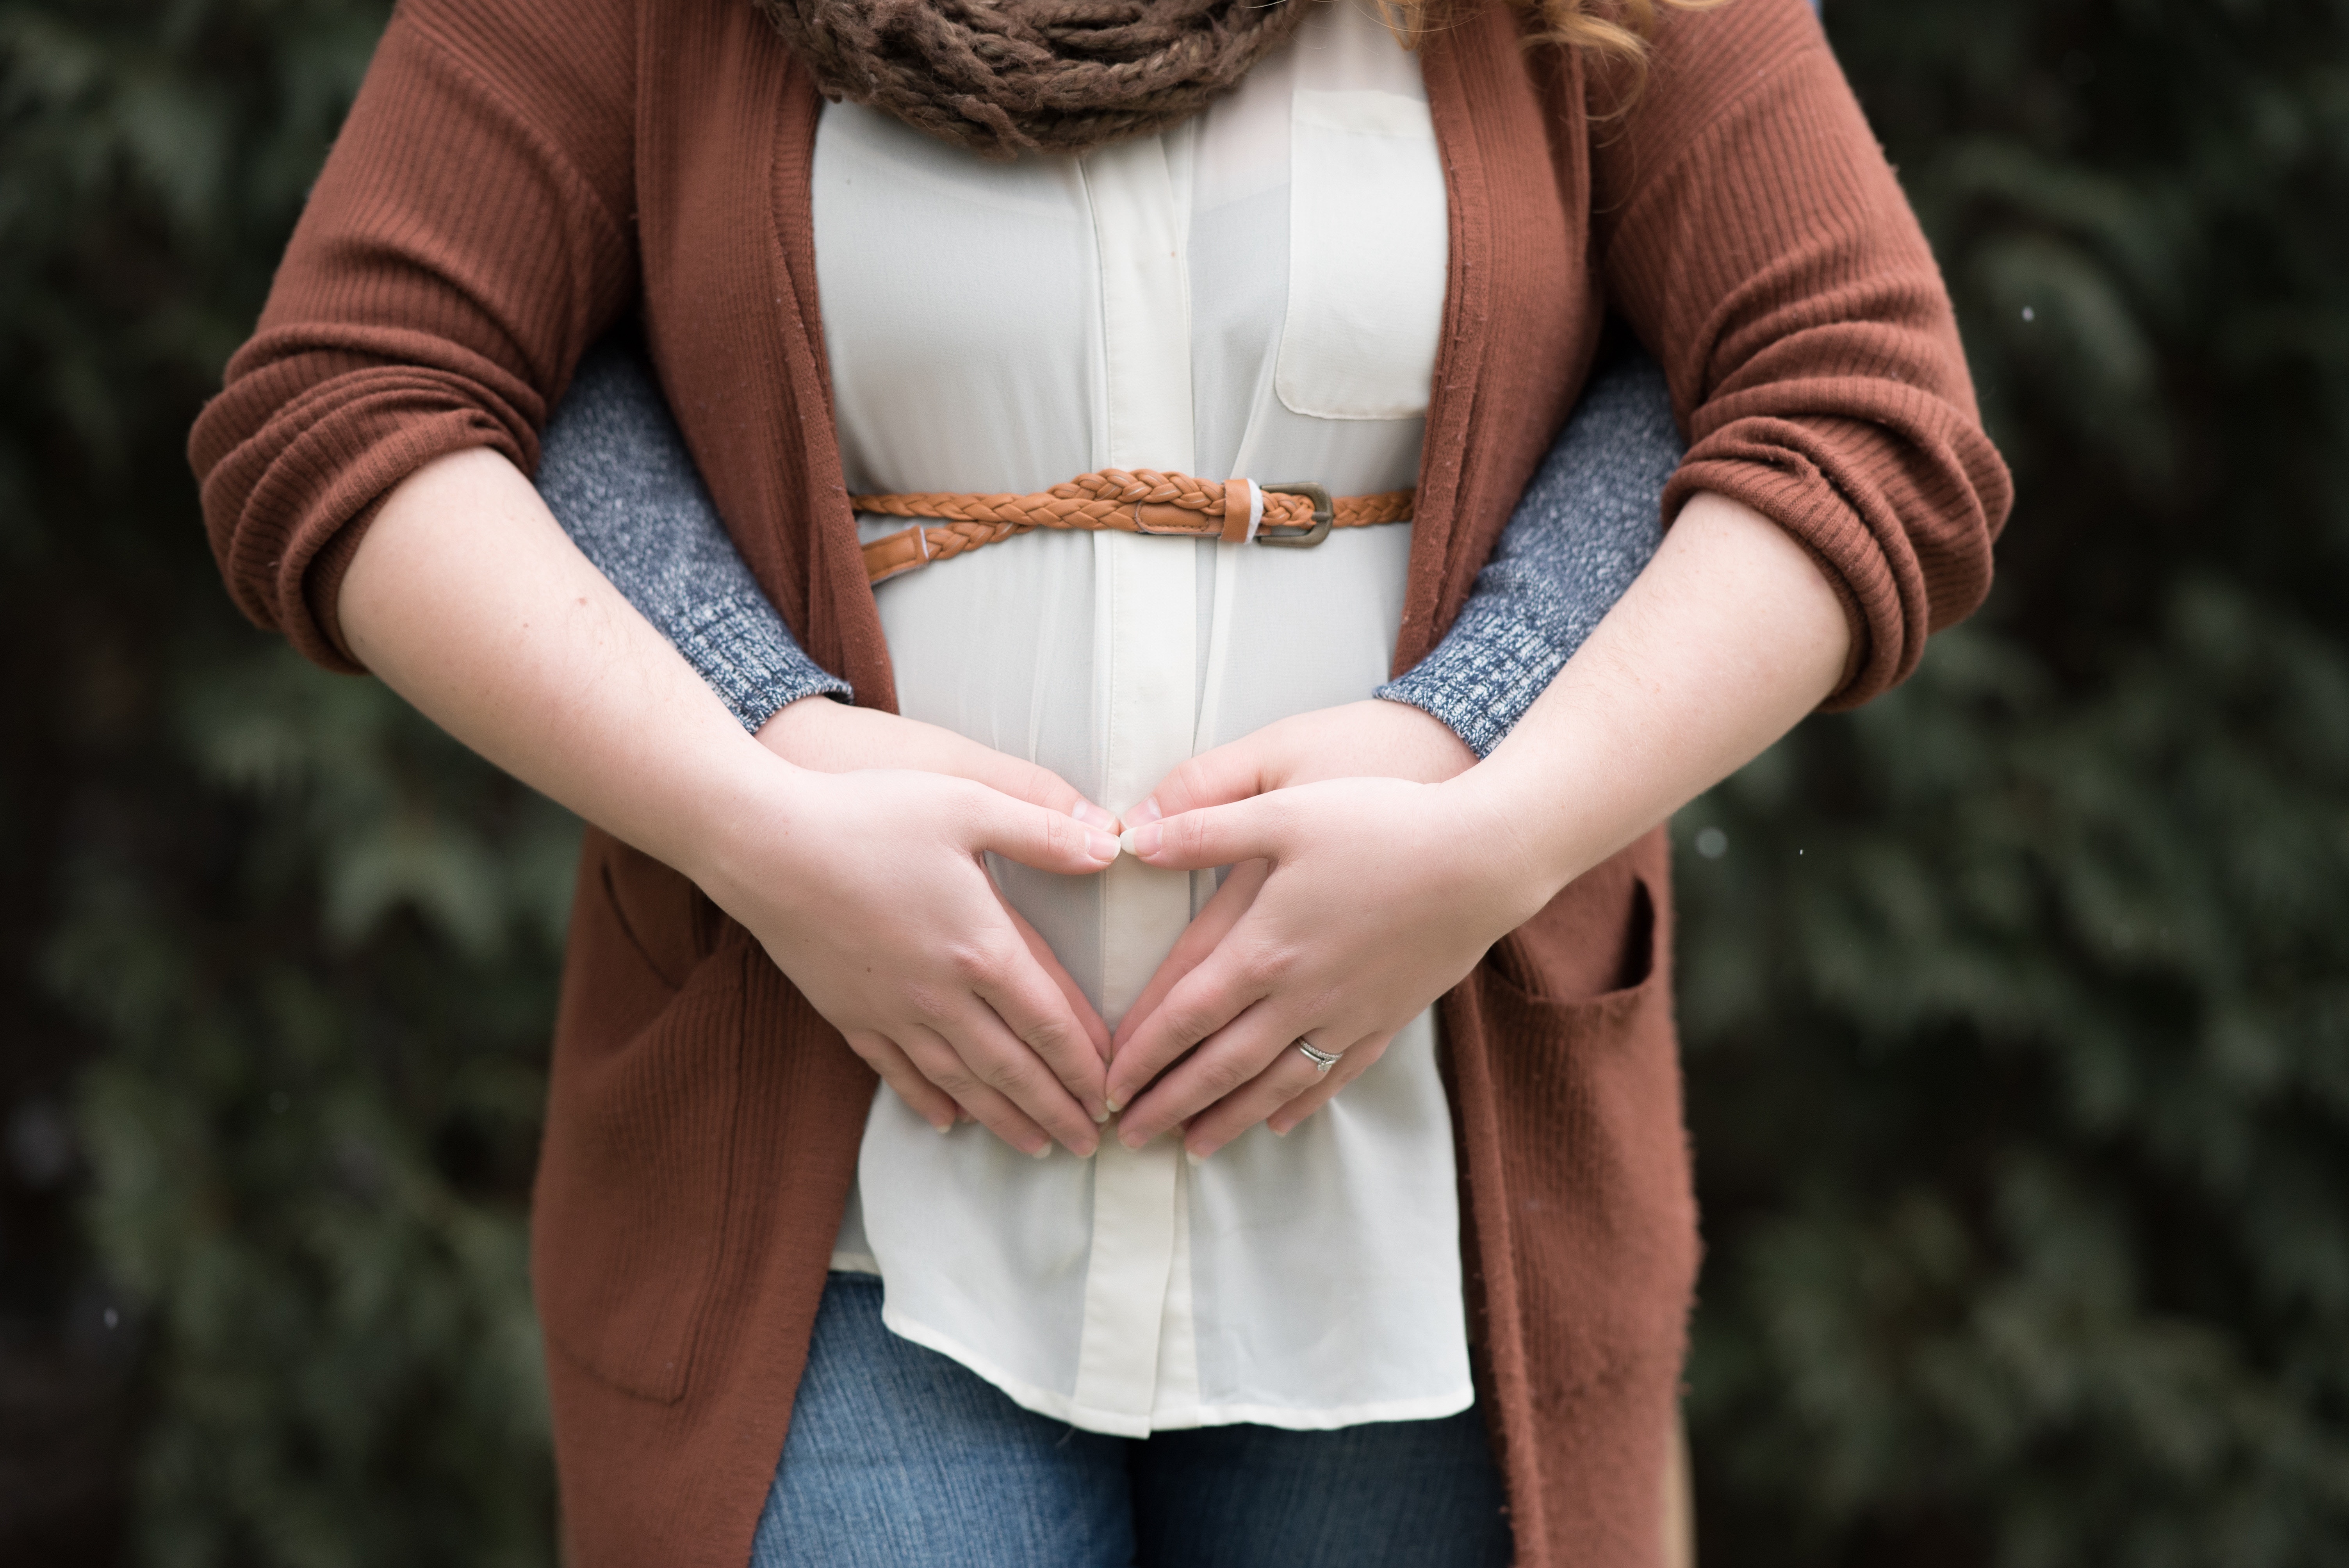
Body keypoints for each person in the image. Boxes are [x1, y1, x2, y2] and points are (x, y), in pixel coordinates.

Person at [188, 0, 2010, 1562]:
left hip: (1415, 1200)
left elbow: (1860, 409)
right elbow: (358, 402)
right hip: (837, 1213)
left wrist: (1489, 816)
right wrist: (760, 796)